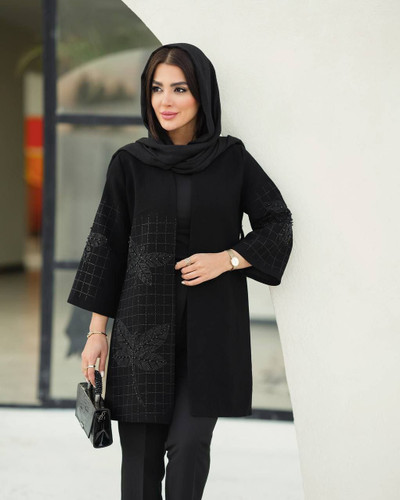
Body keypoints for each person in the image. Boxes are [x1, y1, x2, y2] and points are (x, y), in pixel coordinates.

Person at [67, 42, 293, 500]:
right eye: (156, 89)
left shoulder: (231, 159)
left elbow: (278, 222)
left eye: (179, 89)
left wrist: (227, 258)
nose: (165, 101)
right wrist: (96, 333)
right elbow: (106, 246)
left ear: (202, 94)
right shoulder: (130, 163)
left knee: (189, 448)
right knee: (140, 464)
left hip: (209, 334)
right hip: (141, 335)